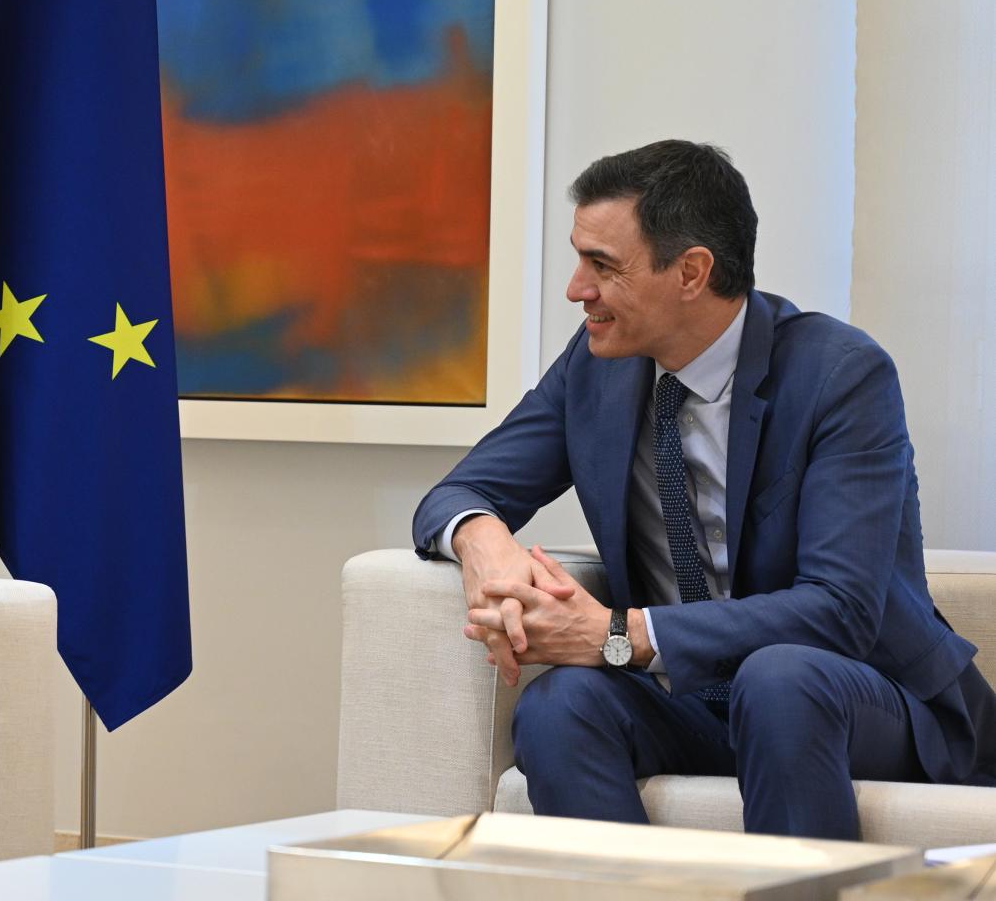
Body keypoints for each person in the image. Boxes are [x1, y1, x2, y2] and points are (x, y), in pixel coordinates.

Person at [414, 139, 996, 839]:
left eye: (602, 266)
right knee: (559, 705)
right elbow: (457, 493)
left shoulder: (840, 375)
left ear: (691, 272)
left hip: (856, 697)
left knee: (778, 681)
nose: (576, 289)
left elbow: (840, 611)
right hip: (694, 701)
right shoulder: (595, 368)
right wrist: (485, 544)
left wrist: (619, 635)